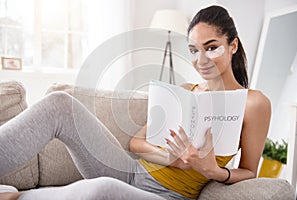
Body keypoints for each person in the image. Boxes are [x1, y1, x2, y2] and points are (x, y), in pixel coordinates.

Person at [0, 5, 271, 200]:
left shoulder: (253, 103)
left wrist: (213, 171)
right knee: (60, 103)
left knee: (102, 190)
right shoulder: (185, 91)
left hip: (167, 195)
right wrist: (170, 157)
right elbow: (137, 143)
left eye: (212, 48)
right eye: (193, 50)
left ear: (233, 45)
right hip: (130, 170)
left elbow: (249, 171)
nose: (201, 61)